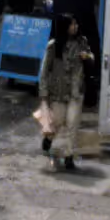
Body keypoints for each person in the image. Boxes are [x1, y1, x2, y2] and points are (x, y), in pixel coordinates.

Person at [45, 0, 101, 105]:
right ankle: (89, 95)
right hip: (81, 19)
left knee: (58, 55)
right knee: (87, 54)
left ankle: (57, 92)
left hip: (59, 19)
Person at [38, 12, 92, 169]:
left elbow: (91, 58)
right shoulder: (53, 46)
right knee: (58, 121)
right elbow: (44, 72)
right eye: (72, 24)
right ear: (65, 27)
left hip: (76, 91)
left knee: (72, 123)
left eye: (76, 24)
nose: (76, 27)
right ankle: (49, 138)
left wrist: (87, 57)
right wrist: (44, 94)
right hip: (58, 92)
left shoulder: (82, 42)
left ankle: (69, 156)